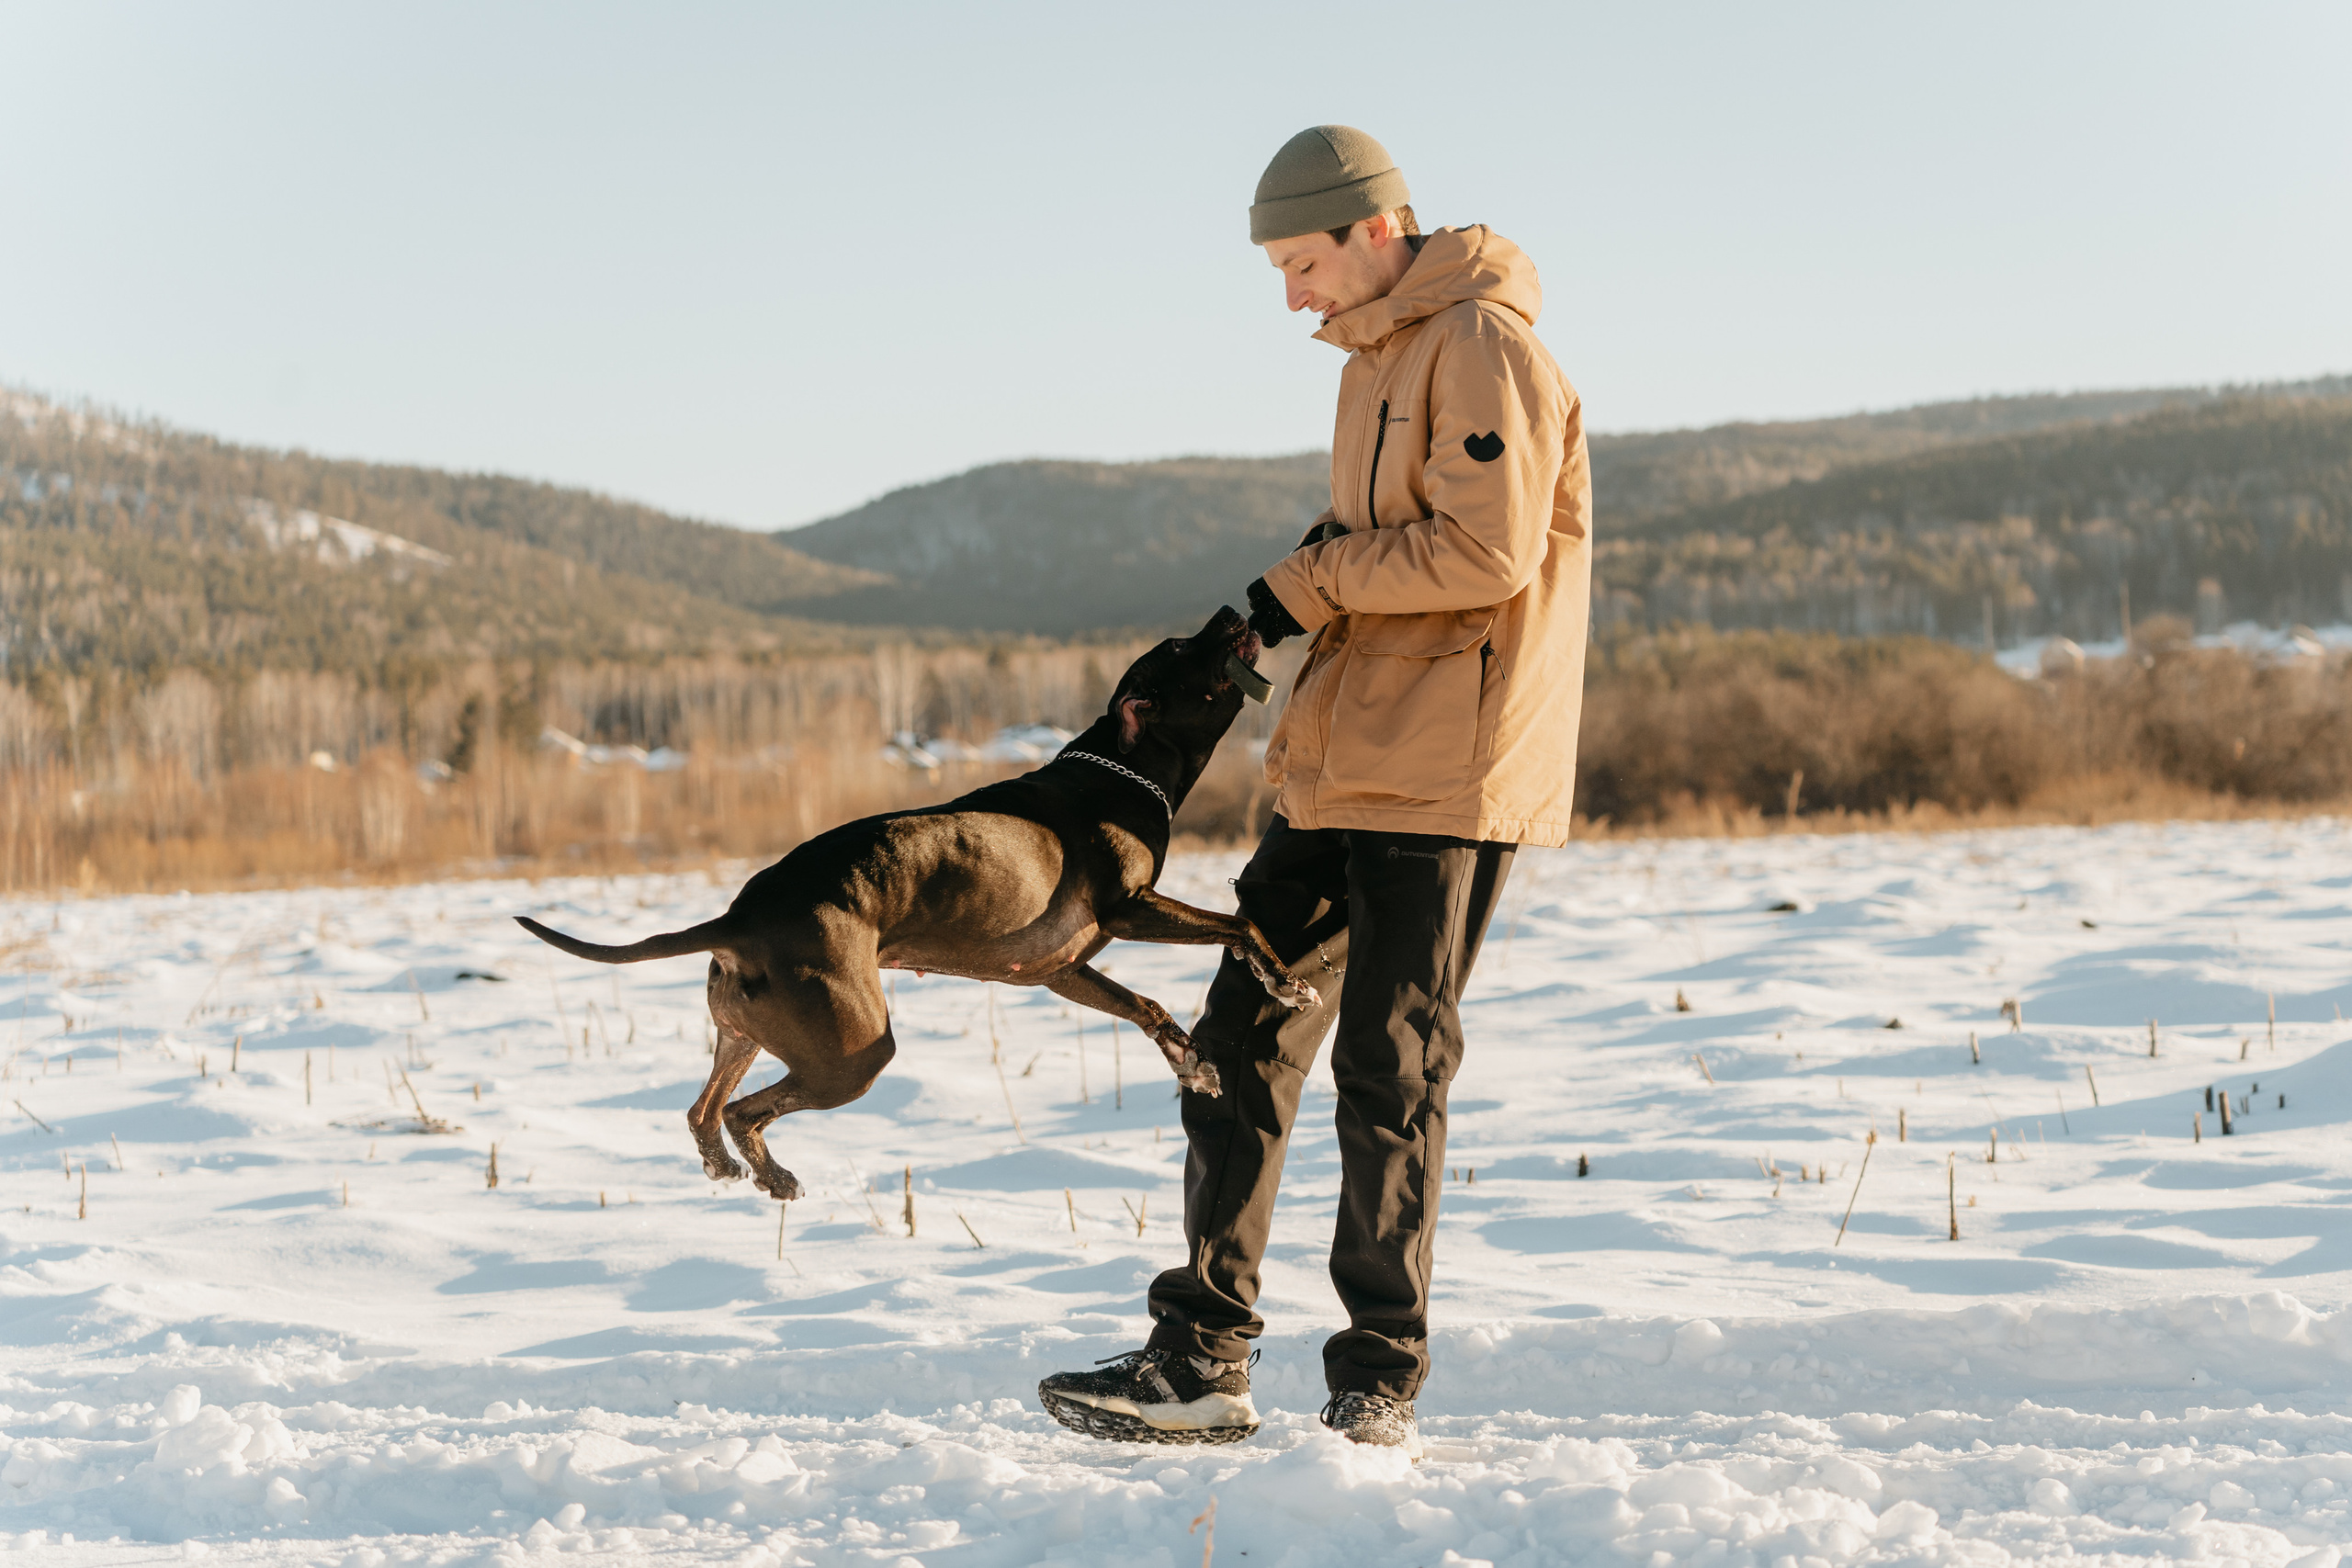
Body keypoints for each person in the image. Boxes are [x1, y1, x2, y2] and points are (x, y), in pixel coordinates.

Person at [1038, 125, 1592, 1458]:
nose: (1289, 294)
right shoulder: (1378, 360)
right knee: (1237, 1042)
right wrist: (1288, 599)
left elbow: (1484, 551)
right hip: (1343, 765)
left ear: (1374, 227)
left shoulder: (1483, 346)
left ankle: (1376, 1379)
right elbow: (1370, 548)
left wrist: (1316, 583)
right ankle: (1198, 1359)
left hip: (1446, 778)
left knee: (1387, 1069)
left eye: (1301, 261)